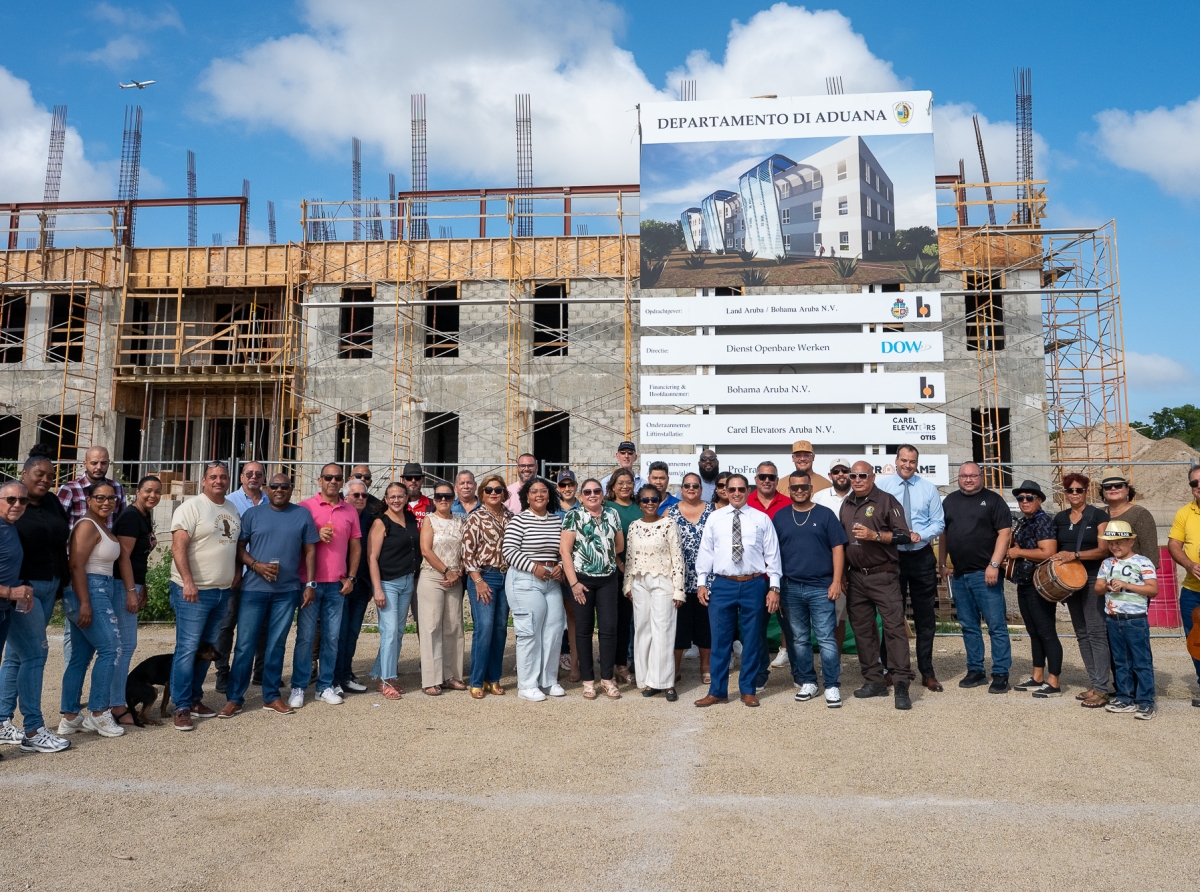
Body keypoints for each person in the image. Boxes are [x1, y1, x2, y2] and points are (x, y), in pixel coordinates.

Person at [220, 473, 320, 718]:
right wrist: (256, 566)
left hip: (287, 591)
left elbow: (310, 552)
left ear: (291, 489)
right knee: (244, 645)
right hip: (253, 590)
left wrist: (310, 584)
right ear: (267, 488)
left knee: (276, 645)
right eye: (274, 486)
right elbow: (239, 549)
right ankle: (235, 698)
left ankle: (272, 696)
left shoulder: (302, 515)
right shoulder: (253, 514)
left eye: (284, 486)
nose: (279, 490)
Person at [0, 448, 71, 754]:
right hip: (21, 591)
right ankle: (32, 728)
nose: (45, 479)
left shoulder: (52, 502)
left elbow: (60, 544)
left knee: (19, 656)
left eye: (50, 475)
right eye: (39, 474)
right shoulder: (9, 513)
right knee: (33, 655)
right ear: (24, 473)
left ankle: (4, 721)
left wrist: (62, 583)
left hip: (45, 586)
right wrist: (13, 590)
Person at [694, 474, 781, 708]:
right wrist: (702, 582)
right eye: (731, 489)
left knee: (752, 639)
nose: (736, 493)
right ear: (725, 491)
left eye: (740, 489)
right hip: (723, 584)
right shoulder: (715, 518)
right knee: (720, 640)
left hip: (753, 583)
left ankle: (748, 689)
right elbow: (706, 552)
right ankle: (718, 691)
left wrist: (774, 587)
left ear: (747, 490)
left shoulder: (761, 519)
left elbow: (773, 556)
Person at [168, 461, 240, 731]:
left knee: (205, 650)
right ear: (203, 480)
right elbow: (178, 546)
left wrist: (234, 574)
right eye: (213, 477)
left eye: (223, 476)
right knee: (187, 649)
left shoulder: (231, 508)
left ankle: (195, 699)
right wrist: (188, 581)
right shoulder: (191, 507)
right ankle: (182, 706)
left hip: (221, 591)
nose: (218, 481)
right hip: (194, 591)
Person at [839, 461, 913, 710]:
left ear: (872, 477)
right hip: (856, 577)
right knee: (863, 630)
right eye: (853, 476)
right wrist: (842, 574)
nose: (857, 479)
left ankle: (901, 683)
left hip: (884, 575)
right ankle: (874, 680)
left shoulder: (886, 500)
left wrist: (876, 536)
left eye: (862, 475)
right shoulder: (846, 503)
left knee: (893, 630)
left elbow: (904, 536)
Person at [773, 470, 847, 707]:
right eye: (794, 487)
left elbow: (838, 548)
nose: (799, 491)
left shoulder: (825, 515)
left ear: (811, 487)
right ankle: (808, 682)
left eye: (803, 487)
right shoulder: (780, 517)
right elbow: (772, 553)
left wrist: (836, 581)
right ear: (789, 490)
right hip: (790, 588)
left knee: (826, 638)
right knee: (800, 639)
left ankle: (832, 685)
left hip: (821, 587)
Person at [290, 463, 361, 708]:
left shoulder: (349, 510)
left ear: (342, 482)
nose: (333, 481)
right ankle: (298, 686)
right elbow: (293, 542)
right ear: (320, 480)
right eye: (328, 477)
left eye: (337, 478)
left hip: (337, 585)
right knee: (306, 638)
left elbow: (356, 547)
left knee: (332, 638)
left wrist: (351, 577)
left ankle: (324, 686)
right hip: (309, 583)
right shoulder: (304, 508)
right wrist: (314, 535)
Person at [57, 481, 124, 738]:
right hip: (89, 590)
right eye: (100, 498)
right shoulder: (87, 525)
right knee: (111, 649)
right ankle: (98, 713)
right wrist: (85, 602)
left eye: (110, 499)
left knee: (80, 658)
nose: (106, 502)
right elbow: (76, 566)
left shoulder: (101, 525)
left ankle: (71, 717)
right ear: (88, 499)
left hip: (98, 589)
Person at [939, 462, 1013, 693]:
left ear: (981, 477)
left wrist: (994, 564)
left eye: (973, 475)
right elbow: (944, 533)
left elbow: (1005, 533)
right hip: (960, 575)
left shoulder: (993, 500)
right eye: (964, 476)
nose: (968, 479)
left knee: (996, 626)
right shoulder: (949, 501)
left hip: (986, 574)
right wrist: (942, 563)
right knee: (969, 626)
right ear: (958, 478)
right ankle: (976, 670)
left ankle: (1000, 673)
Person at [878, 445, 946, 691]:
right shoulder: (883, 488)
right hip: (892, 557)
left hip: (921, 557)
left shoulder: (928, 489)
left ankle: (927, 672)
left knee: (925, 617)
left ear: (917, 463)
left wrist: (921, 534)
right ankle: (891, 669)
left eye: (912, 461)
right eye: (904, 460)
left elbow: (938, 522)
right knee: (891, 616)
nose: (907, 465)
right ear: (896, 461)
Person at [502, 478, 566, 701]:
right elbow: (508, 550)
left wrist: (559, 566)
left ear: (550, 495)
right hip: (525, 580)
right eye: (534, 491)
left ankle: (548, 680)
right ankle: (527, 685)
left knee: (554, 630)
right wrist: (533, 567)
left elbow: (563, 550)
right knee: (529, 632)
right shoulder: (518, 521)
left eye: (543, 491)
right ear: (526, 496)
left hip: (552, 582)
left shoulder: (557, 521)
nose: (539, 495)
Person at [560, 478, 624, 700]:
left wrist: (603, 558)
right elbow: (565, 551)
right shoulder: (574, 516)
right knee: (584, 631)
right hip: (582, 581)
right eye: (587, 492)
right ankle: (588, 680)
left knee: (608, 629)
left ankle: (607, 679)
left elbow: (619, 545)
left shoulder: (612, 514)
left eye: (596, 490)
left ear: (602, 494)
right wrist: (574, 583)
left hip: (607, 579)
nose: (592, 494)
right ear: (581, 496)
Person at [1053, 472, 1112, 708]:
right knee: (1081, 632)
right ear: (1064, 494)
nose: (1074, 494)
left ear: (1086, 492)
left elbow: (1103, 550)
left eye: (1079, 490)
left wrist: (1075, 554)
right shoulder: (1059, 517)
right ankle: (1095, 682)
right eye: (1070, 490)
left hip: (1091, 578)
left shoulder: (1098, 515)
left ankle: (1102, 688)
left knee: (1096, 632)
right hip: (1069, 581)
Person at [625, 484, 686, 701]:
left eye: (653, 499)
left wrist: (679, 590)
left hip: (663, 581)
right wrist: (627, 584)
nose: (650, 503)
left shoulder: (669, 524)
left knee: (663, 631)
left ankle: (666, 682)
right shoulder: (633, 526)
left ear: (659, 501)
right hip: (639, 582)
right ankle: (648, 680)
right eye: (645, 500)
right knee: (643, 630)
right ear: (639, 503)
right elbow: (630, 558)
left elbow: (678, 557)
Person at [1096, 520, 1158, 720]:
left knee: (1141, 661)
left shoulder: (1143, 562)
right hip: (1113, 619)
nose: (1115, 546)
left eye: (1120, 542)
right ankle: (1125, 698)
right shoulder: (1106, 563)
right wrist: (1107, 587)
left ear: (1131, 541)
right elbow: (1097, 588)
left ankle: (1146, 701)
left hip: (1135, 620)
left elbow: (1152, 589)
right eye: (1111, 543)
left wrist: (1126, 585)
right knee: (1120, 661)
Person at [1006, 480, 1063, 698]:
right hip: (1025, 581)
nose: (1024, 501)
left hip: (1041, 582)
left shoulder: (1043, 521)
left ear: (1039, 500)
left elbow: (1048, 551)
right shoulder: (1024, 522)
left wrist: (1019, 553)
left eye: (1029, 498)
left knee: (1047, 632)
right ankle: (1037, 676)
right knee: (1033, 632)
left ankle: (1054, 682)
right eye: (1021, 498)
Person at [111, 475, 161, 725]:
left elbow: (141, 557)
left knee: (125, 645)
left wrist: (142, 587)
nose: (153, 495)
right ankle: (116, 704)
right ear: (137, 491)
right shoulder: (131, 517)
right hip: (122, 584)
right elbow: (124, 557)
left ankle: (116, 699)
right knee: (125, 645)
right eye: (148, 491)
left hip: (133, 583)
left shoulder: (144, 515)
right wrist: (131, 590)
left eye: (157, 492)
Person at [216, 461, 267, 694]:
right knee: (227, 625)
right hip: (234, 574)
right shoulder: (229, 503)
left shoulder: (270, 501)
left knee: (261, 626)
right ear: (241, 477)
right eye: (249, 473)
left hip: (261, 577)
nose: (254, 477)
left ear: (264, 478)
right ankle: (223, 674)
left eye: (258, 473)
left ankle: (260, 673)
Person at [368, 482, 421, 700]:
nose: (397, 500)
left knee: (398, 632)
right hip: (388, 583)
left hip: (408, 581)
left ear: (407, 497)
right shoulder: (381, 522)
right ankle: (387, 679)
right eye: (392, 497)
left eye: (401, 496)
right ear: (386, 499)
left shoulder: (409, 518)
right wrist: (377, 589)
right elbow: (372, 557)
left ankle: (380, 672)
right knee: (389, 632)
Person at [461, 474, 512, 698]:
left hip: (507, 576)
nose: (493, 493)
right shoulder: (475, 517)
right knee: (484, 628)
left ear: (504, 493)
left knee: (500, 629)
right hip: (484, 576)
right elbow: (467, 552)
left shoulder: (511, 517)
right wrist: (478, 580)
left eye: (498, 490)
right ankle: (476, 679)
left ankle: (494, 678)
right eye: (489, 490)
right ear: (482, 493)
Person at [416, 483, 466, 695]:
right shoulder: (429, 520)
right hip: (433, 577)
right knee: (431, 628)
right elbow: (426, 550)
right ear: (434, 499)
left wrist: (459, 570)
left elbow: (467, 549)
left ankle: (452, 675)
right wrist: (447, 571)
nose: (443, 500)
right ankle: (431, 679)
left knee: (454, 627)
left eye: (447, 496)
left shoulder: (460, 521)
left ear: (453, 498)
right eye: (439, 496)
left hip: (455, 578)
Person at [669, 473, 713, 686]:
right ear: (681, 489)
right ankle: (675, 667)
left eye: (695, 485)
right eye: (687, 485)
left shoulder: (713, 512)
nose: (692, 488)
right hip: (680, 579)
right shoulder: (671, 512)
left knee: (705, 625)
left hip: (708, 580)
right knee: (679, 625)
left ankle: (705, 667)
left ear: (701, 489)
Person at [748, 461, 790, 675]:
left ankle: (800, 675)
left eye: (771, 477)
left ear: (776, 480)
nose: (766, 480)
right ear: (755, 480)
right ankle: (760, 673)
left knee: (792, 627)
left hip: (784, 574)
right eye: (762, 477)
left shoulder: (789, 503)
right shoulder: (745, 503)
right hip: (754, 577)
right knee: (756, 628)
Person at [334, 479, 375, 694]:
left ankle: (346, 674)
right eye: (355, 495)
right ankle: (333, 677)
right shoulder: (339, 515)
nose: (360, 499)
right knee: (337, 633)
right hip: (339, 583)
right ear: (346, 497)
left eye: (364, 495)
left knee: (352, 633)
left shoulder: (371, 519)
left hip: (361, 585)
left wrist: (370, 585)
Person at [812, 457, 852, 652]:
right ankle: (833, 660)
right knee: (835, 616)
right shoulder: (819, 497)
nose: (841, 474)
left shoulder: (859, 494)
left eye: (844, 470)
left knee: (859, 616)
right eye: (836, 471)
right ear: (830, 475)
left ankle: (874, 661)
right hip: (831, 564)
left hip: (857, 563)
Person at [604, 467, 640, 686]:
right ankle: (619, 665)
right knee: (617, 621)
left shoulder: (639, 506)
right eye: (620, 483)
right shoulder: (607, 507)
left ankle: (637, 662)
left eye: (629, 482)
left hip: (639, 572)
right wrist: (619, 562)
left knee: (634, 621)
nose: (625, 486)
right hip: (616, 572)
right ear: (612, 486)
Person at [1168, 465, 1200, 708]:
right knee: (1196, 641)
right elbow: (1173, 544)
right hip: (1192, 591)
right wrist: (1189, 564)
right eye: (1194, 483)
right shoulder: (1184, 513)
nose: (1198, 486)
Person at [1099, 468, 1158, 566]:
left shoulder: (1140, 514)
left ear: (1127, 489)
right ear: (1103, 492)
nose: (1113, 488)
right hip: (1103, 574)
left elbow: (1150, 552)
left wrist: (1146, 577)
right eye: (1108, 486)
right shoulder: (1098, 514)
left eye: (1118, 485)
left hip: (1133, 575)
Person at [57, 445, 125, 530]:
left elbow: (122, 522)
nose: (99, 467)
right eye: (94, 463)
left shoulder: (117, 488)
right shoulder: (70, 489)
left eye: (103, 463)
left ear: (108, 463)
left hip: (109, 541)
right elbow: (57, 523)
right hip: (78, 542)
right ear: (85, 464)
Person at [554, 469, 580, 680]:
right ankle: (551, 664)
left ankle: (574, 664)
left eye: (570, 484)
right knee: (553, 618)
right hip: (554, 571)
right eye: (563, 485)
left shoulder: (584, 509)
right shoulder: (551, 510)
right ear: (558, 488)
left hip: (575, 571)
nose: (567, 488)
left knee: (573, 617)